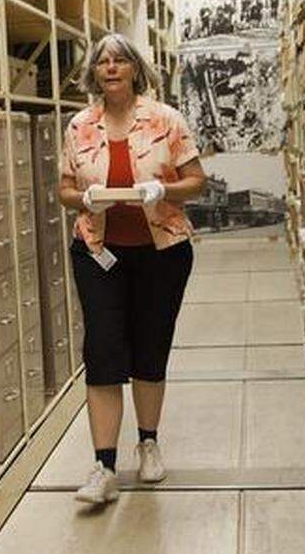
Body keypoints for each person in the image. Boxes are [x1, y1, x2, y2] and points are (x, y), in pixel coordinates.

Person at [59, 33, 206, 504]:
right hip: (98, 252)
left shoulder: (165, 120)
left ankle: (148, 442)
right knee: (101, 349)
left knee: (150, 345)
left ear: (135, 68)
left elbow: (197, 181)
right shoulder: (79, 125)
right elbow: (63, 189)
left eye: (120, 59)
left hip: (161, 251)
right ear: (93, 73)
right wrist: (83, 198)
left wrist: (163, 191)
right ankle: (103, 467)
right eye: (102, 61)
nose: (111, 67)